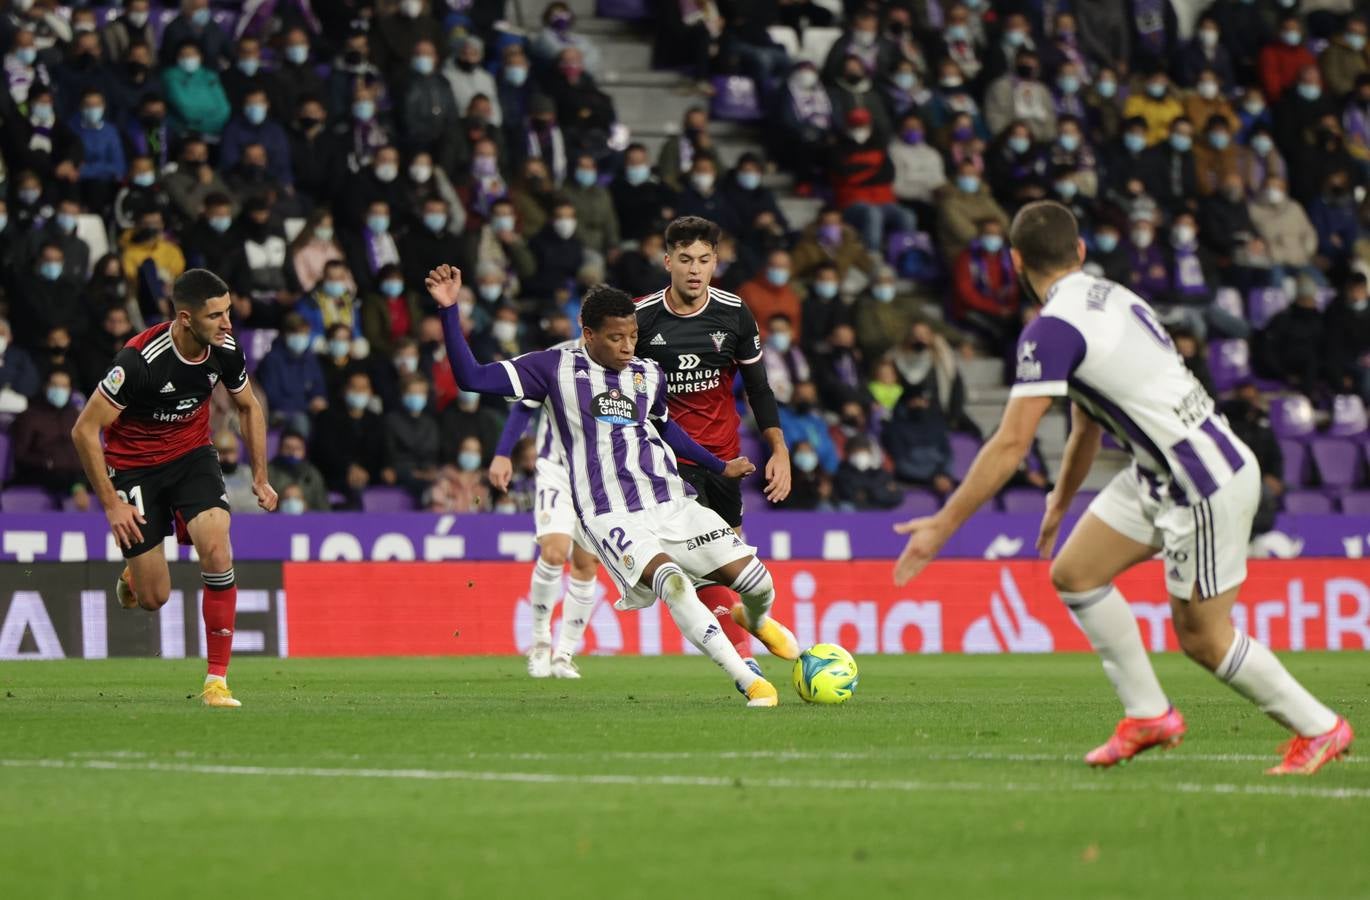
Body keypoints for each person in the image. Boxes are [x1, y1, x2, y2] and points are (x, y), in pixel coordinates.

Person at [892, 200, 1353, 774]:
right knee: (1076, 573)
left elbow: (1010, 445)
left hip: (1201, 480)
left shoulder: (1049, 332)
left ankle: (1319, 727)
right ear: (1081, 250)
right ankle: (1148, 715)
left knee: (1203, 638)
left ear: (1015, 262)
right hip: (1161, 473)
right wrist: (1061, 500)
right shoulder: (1112, 296)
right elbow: (1087, 419)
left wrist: (943, 525)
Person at [430, 267, 796, 707]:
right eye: (616, 338)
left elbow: (666, 429)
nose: (627, 347)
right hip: (611, 513)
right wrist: (449, 310)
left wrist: (720, 466)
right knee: (674, 585)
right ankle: (749, 680)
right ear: (588, 334)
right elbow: (471, 377)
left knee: (758, 583)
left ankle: (756, 619)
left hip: (671, 501)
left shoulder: (648, 373)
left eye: (633, 336)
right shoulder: (552, 367)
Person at [70, 269, 277, 709]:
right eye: (216, 316)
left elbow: (248, 407)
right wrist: (111, 506)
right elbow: (84, 430)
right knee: (153, 598)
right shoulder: (139, 361)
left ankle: (217, 682)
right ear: (185, 318)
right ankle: (134, 575)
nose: (227, 324)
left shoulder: (225, 350)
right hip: (134, 470)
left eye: (228, 312)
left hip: (191, 457)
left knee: (217, 548)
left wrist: (260, 476)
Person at [633, 217, 792, 675]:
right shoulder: (641, 318)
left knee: (731, 561)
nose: (694, 269)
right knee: (703, 561)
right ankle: (746, 664)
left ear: (715, 262)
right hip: (668, 462)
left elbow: (758, 388)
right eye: (685, 260)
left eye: (703, 260)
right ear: (668, 262)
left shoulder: (734, 312)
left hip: (725, 459)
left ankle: (750, 622)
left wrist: (778, 449)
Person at [488, 336, 603, 679]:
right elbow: (524, 406)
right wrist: (503, 453)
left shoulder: (625, 363)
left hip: (599, 476)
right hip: (556, 469)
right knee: (554, 552)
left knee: (586, 563)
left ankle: (564, 654)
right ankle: (539, 641)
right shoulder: (556, 358)